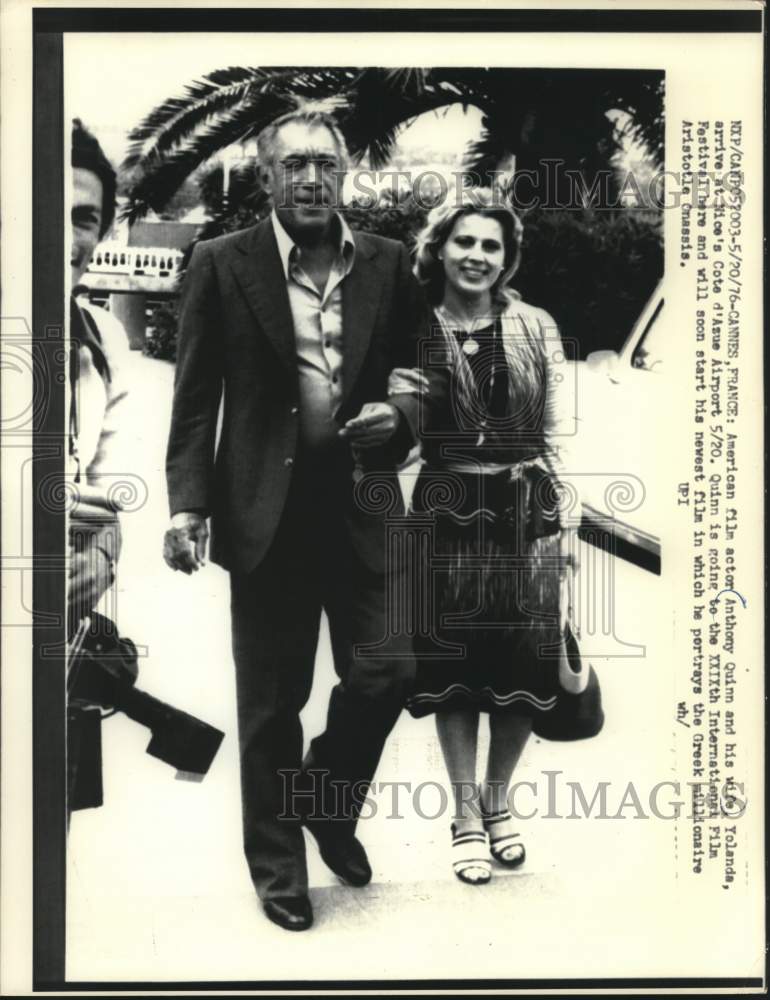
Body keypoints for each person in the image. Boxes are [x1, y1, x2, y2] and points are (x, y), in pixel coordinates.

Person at [162, 108, 429, 931]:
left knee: (392, 670)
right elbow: (196, 394)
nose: (312, 179)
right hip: (263, 513)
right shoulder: (218, 262)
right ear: (266, 176)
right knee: (272, 705)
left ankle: (324, 802)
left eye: (325, 163)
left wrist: (402, 416)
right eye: (295, 165)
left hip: (364, 506)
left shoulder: (390, 262)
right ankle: (278, 870)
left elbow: (421, 371)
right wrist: (186, 505)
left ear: (345, 174)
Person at [394, 188, 579, 885]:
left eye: (491, 246)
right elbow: (400, 431)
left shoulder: (535, 325)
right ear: (439, 248)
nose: (477, 256)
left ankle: (501, 805)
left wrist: (567, 520)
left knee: (524, 667)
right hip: (444, 506)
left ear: (507, 259)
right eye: (464, 242)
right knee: (457, 670)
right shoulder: (413, 328)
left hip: (522, 505)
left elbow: (558, 427)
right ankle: (466, 815)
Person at [68, 119, 131, 632]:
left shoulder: (105, 337)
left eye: (84, 219)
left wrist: (102, 559)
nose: (68, 239)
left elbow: (108, 495)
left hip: (59, 630)